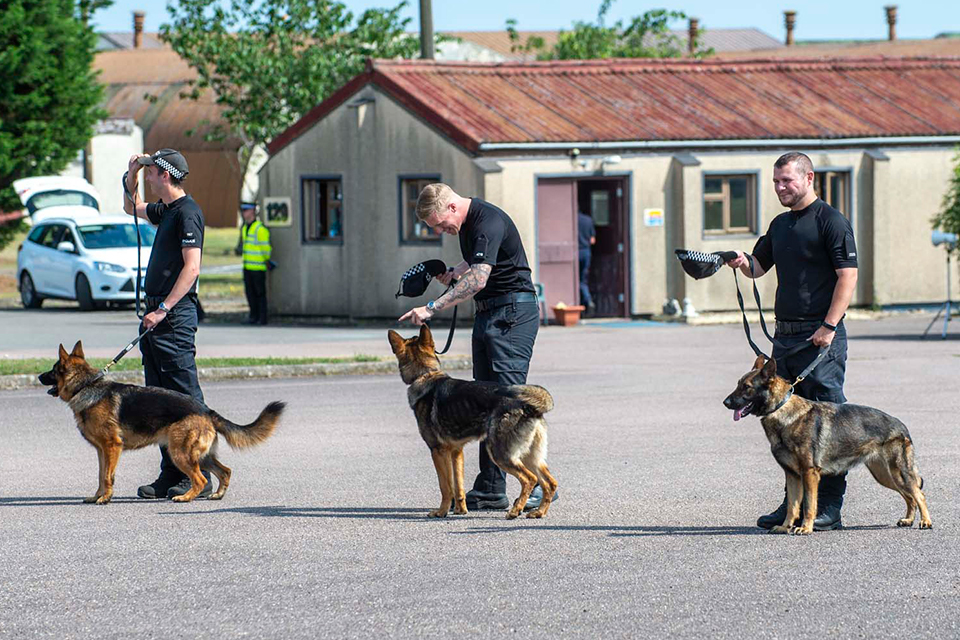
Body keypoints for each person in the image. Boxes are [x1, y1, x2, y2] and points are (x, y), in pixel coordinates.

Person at [399, 183, 557, 512]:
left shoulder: (488, 221)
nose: (443, 230)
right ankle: (489, 488)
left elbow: (480, 278)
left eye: (442, 224)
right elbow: (473, 268)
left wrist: (431, 307)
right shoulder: (469, 227)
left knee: (507, 403)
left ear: (452, 208)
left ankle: (538, 485)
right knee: (483, 401)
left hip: (512, 314)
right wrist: (452, 273)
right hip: (490, 314)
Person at [726, 151, 858, 531]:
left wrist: (830, 326)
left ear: (809, 178)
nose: (780, 188)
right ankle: (793, 504)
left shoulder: (831, 221)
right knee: (785, 422)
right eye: (776, 182)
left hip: (821, 336)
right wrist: (738, 261)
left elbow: (847, 276)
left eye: (787, 181)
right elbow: (758, 267)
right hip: (785, 337)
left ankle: (830, 504)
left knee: (827, 420)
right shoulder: (780, 224)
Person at [122, 148, 212, 500]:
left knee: (183, 396)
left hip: (172, 316)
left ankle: (197, 473)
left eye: (150, 172)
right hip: (156, 316)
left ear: (165, 175)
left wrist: (164, 308)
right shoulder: (167, 210)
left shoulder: (188, 213)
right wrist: (130, 174)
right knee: (159, 399)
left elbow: (192, 268)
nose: (147, 176)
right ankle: (169, 473)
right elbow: (132, 207)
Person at [238, 202, 271, 325]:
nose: (244, 213)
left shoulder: (260, 229)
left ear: (253, 211)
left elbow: (265, 248)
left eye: (246, 210)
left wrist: (266, 260)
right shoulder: (245, 228)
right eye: (243, 211)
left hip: (258, 267)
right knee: (250, 293)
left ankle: (262, 318)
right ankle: (253, 316)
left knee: (260, 294)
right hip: (247, 266)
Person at [578, 210, 597, 316]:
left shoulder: (572, 220)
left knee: (576, 281)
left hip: (576, 251)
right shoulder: (588, 220)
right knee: (583, 279)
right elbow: (592, 240)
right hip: (586, 252)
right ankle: (587, 300)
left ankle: (584, 299)